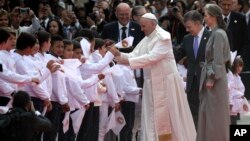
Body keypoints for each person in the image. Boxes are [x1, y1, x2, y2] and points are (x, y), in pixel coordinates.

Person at [115, 13, 196, 141]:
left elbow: (152, 57)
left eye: (143, 26)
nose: (141, 29)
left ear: (153, 24)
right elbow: (134, 54)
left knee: (171, 115)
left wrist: (127, 62)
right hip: (151, 82)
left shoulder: (163, 37)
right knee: (151, 114)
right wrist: (118, 54)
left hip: (166, 82)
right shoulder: (147, 38)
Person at [197, 4, 231, 141]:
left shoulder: (218, 34)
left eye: (205, 15)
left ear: (214, 16)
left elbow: (218, 60)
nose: (204, 18)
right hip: (214, 78)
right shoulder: (216, 32)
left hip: (215, 80)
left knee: (214, 116)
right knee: (210, 114)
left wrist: (211, 77)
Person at [175, 10, 210, 129]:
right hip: (192, 83)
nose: (187, 30)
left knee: (208, 114)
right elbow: (176, 55)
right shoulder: (187, 39)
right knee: (193, 115)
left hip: (208, 82)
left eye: (189, 27)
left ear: (197, 23)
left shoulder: (212, 36)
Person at [227, 56, 250, 124]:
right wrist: (230, 103)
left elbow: (241, 93)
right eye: (237, 66)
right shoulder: (230, 76)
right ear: (233, 66)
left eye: (241, 66)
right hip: (231, 106)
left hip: (237, 106)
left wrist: (244, 103)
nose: (239, 68)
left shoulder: (238, 77)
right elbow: (229, 90)